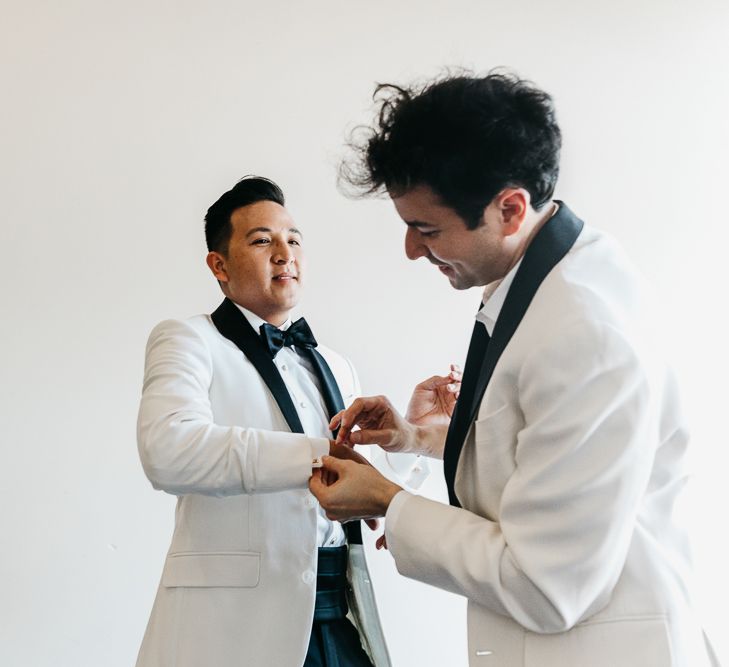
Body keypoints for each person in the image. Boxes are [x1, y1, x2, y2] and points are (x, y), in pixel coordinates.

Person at [309, 73, 720, 666]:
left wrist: (388, 501)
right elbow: (550, 453)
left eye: (426, 229)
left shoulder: (584, 332)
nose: (410, 250)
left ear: (509, 208)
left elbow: (545, 586)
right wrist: (417, 438)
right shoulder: (552, 271)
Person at [135, 176, 444, 667]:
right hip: (233, 631)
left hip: (339, 611)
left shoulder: (334, 363)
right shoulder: (187, 339)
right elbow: (169, 451)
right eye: (262, 241)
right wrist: (314, 456)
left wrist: (412, 437)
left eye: (293, 239)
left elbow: (360, 491)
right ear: (219, 265)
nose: (285, 253)